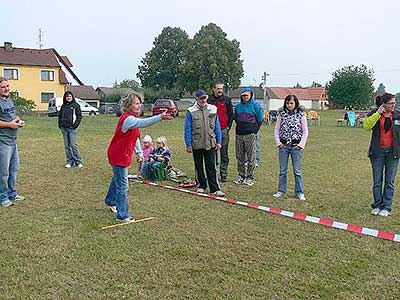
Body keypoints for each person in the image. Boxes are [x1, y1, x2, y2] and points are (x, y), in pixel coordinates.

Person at [105, 92, 173, 222]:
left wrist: (139, 153)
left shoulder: (132, 118)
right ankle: (122, 215)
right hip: (118, 155)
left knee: (118, 179)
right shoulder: (128, 119)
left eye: (140, 103)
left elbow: (135, 136)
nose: (139, 106)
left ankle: (110, 200)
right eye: (136, 103)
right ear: (128, 105)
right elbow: (143, 123)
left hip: (122, 154)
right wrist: (160, 117)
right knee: (123, 186)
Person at [364, 93, 399, 217]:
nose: (393, 105)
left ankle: (387, 207)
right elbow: (366, 126)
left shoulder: (398, 115)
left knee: (389, 181)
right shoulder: (375, 114)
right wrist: (377, 113)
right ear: (383, 104)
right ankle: (377, 205)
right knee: (377, 181)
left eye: (394, 103)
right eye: (391, 103)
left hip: (393, 153)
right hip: (377, 152)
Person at [184, 89, 225, 196]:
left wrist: (219, 141)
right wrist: (188, 144)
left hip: (210, 142)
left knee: (211, 166)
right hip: (196, 142)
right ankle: (201, 185)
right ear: (196, 99)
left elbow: (217, 126)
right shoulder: (190, 111)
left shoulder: (213, 109)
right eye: (201, 98)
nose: (203, 100)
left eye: (204, 98)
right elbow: (187, 129)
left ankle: (215, 188)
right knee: (199, 166)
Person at [273, 94, 308, 200]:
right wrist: (278, 143)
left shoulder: (301, 115)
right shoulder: (281, 114)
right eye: (287, 103)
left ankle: (299, 192)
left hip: (296, 147)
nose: (289, 105)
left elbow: (305, 131)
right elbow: (276, 130)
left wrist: (301, 145)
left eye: (291, 103)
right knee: (283, 170)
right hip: (283, 146)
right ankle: (281, 190)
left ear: (295, 103)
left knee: (297, 171)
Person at [0, 77, 25, 207]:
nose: (6, 89)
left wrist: (18, 121)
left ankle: (11, 193)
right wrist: (9, 124)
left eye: (7, 86)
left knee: (14, 170)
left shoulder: (9, 100)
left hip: (13, 141)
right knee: (3, 172)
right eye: (3, 87)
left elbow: (14, 115)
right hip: (2, 142)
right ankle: (3, 197)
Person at [233, 87, 263, 186]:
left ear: (250, 95)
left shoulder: (255, 106)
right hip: (239, 135)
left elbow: (259, 119)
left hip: (250, 135)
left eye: (247, 95)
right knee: (240, 156)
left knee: (251, 157)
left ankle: (250, 177)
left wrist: (254, 130)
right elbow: (236, 119)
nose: (245, 97)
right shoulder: (238, 107)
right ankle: (241, 176)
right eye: (243, 95)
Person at [207, 82, 233, 182]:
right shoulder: (209, 100)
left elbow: (231, 114)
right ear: (213, 89)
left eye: (221, 89)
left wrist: (228, 127)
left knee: (224, 153)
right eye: (218, 89)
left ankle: (224, 174)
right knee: (212, 153)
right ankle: (214, 173)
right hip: (211, 131)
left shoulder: (227, 100)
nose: (220, 91)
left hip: (223, 130)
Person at [58, 91, 83, 168]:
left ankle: (78, 162)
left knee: (73, 145)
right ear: (65, 98)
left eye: (70, 96)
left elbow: (79, 116)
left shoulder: (76, 105)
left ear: (72, 97)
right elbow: (59, 116)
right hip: (64, 128)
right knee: (67, 146)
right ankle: (69, 162)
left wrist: (75, 125)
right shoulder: (63, 106)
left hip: (72, 129)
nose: (69, 98)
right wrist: (60, 125)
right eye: (67, 96)